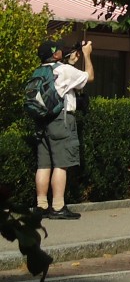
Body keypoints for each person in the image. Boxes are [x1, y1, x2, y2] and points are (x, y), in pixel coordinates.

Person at [34, 39, 94, 220]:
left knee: (43, 164)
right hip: (62, 119)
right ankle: (58, 206)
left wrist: (71, 63)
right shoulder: (65, 71)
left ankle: (41, 206)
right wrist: (87, 55)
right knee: (61, 163)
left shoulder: (39, 71)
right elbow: (89, 76)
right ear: (56, 54)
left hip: (42, 120)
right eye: (59, 49)